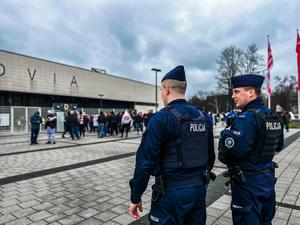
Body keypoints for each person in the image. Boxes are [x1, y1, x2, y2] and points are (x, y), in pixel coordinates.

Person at [129, 65, 215, 225]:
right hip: (198, 189)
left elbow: (145, 163)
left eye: (161, 90)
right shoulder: (203, 117)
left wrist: (136, 196)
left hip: (171, 194)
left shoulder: (160, 119)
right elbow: (210, 157)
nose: (162, 94)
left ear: (166, 89)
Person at [218, 74, 284, 225]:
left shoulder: (247, 117)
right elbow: (279, 146)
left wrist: (226, 134)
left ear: (251, 92)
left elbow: (233, 153)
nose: (232, 95)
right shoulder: (273, 116)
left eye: (236, 91)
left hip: (248, 184)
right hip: (267, 181)